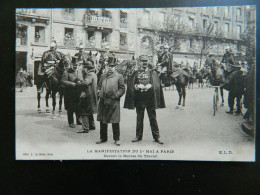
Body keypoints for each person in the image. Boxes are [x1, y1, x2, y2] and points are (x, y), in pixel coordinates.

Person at [124, 55, 165, 144]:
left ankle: (156, 136)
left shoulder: (152, 73)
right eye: (143, 61)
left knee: (153, 118)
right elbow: (131, 85)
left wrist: (151, 86)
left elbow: (157, 84)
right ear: (139, 62)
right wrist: (137, 86)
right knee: (139, 118)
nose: (145, 63)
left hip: (150, 99)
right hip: (140, 99)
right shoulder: (136, 72)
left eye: (146, 61)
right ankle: (138, 136)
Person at [96, 62, 125, 146]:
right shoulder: (103, 76)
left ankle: (116, 139)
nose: (110, 68)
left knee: (115, 120)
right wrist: (98, 92)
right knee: (103, 120)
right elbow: (99, 86)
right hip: (103, 100)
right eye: (109, 66)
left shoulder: (119, 76)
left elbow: (122, 89)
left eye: (112, 66)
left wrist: (116, 96)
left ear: (115, 67)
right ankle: (103, 138)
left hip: (113, 101)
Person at [76, 61, 98, 133]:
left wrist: (79, 82)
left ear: (87, 68)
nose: (83, 69)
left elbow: (85, 83)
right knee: (90, 112)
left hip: (87, 96)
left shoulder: (89, 75)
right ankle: (92, 125)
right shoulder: (94, 74)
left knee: (84, 112)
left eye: (84, 67)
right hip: (92, 96)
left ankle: (85, 128)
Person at [61, 59, 82, 128]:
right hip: (69, 93)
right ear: (71, 64)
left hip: (78, 92)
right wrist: (73, 84)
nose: (76, 66)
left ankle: (78, 120)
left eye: (77, 65)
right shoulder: (66, 72)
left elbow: (82, 78)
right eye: (74, 65)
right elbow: (63, 81)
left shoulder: (79, 71)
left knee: (78, 107)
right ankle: (71, 122)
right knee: (70, 108)